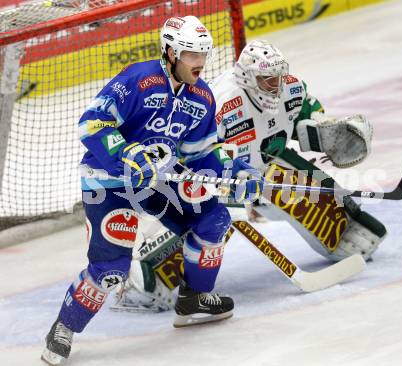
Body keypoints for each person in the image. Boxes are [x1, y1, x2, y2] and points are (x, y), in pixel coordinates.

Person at [41, 16, 263, 366]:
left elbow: (202, 152)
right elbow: (92, 123)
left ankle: (193, 298)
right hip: (109, 182)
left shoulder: (201, 97)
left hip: (159, 182)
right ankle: (64, 326)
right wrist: (125, 152)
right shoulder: (138, 79)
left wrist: (236, 169)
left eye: (203, 53)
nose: (200, 62)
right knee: (111, 269)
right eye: (192, 54)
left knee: (214, 220)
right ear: (171, 51)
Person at [111, 39, 387, 313]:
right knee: (212, 220)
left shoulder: (290, 88)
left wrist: (325, 133)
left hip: (264, 170)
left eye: (279, 76)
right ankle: (146, 274)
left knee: (357, 236)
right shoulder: (220, 102)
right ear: (248, 78)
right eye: (268, 79)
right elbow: (191, 154)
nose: (276, 85)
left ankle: (335, 229)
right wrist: (220, 187)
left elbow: (306, 118)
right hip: (214, 178)